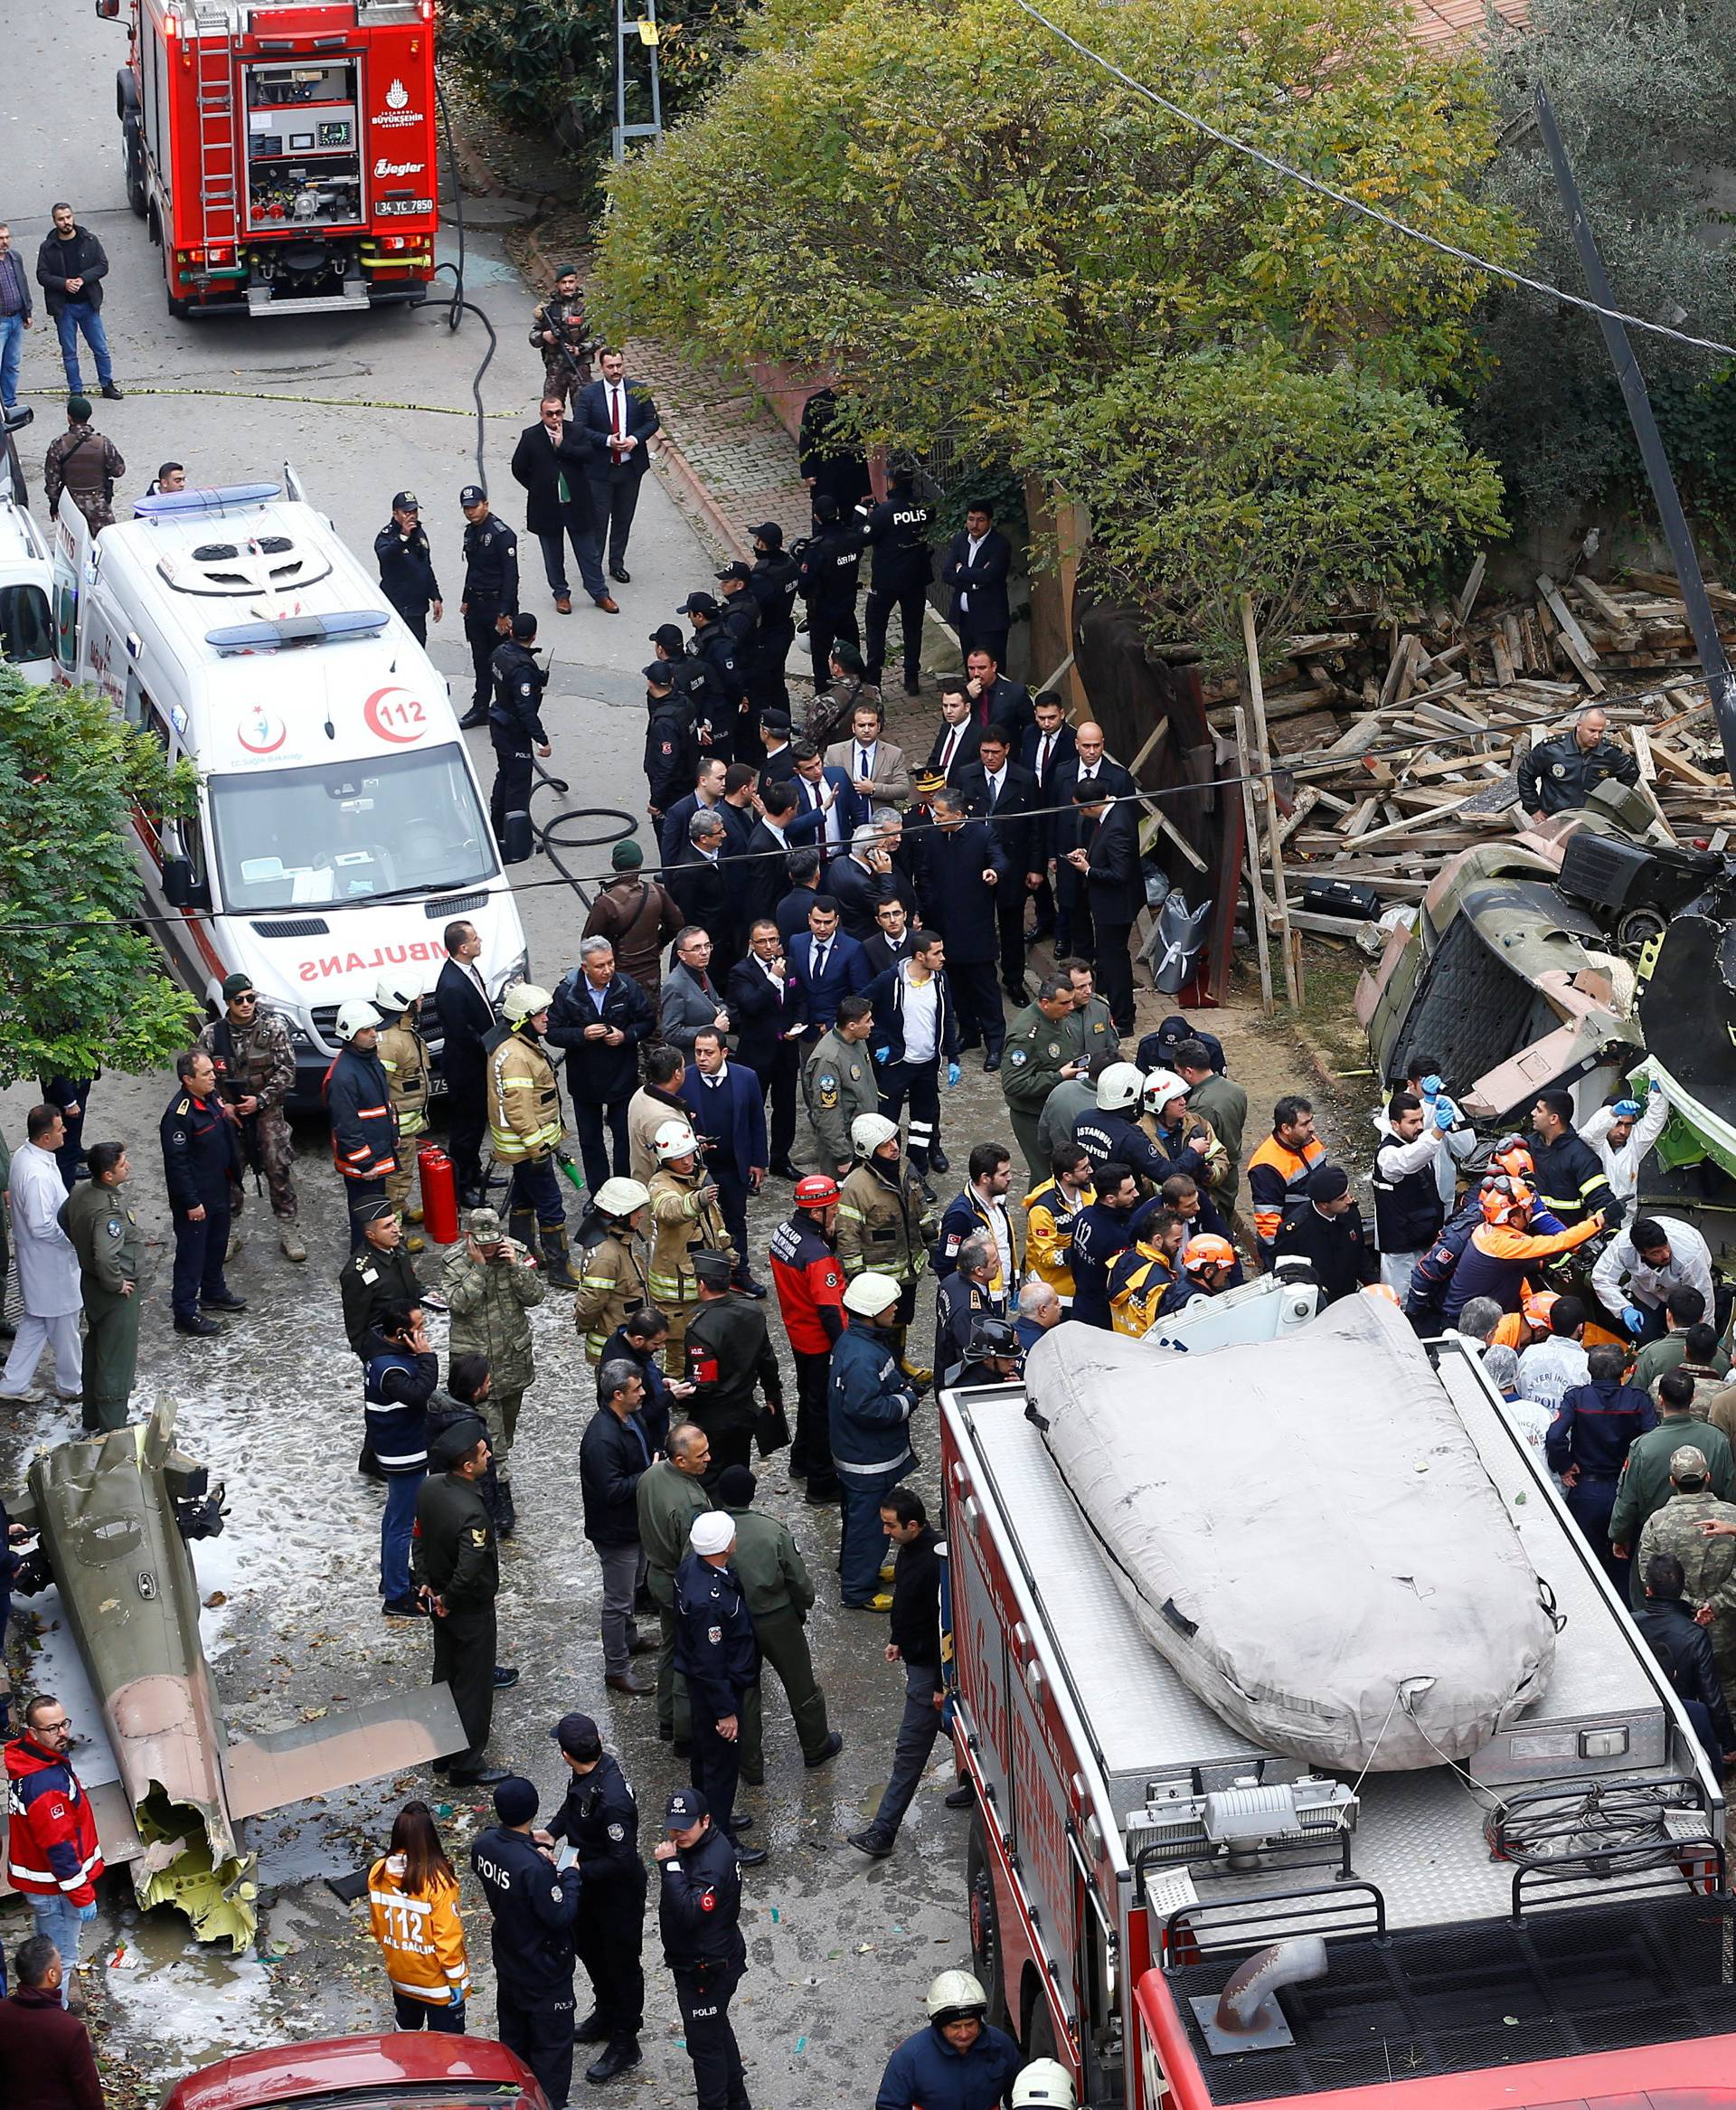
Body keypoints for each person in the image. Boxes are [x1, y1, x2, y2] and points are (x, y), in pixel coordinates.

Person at [714, 1463, 841, 1773]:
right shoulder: (772, 1530)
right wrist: (804, 1602)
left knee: (745, 1691)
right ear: (752, 1494)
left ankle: (750, 1764)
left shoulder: (711, 1531)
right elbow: (796, 1578)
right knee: (800, 1683)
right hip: (775, 1617)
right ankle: (815, 1746)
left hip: (732, 1620)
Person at [543, 1712, 646, 2086]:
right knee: (590, 1952)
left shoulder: (614, 1799)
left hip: (617, 1895)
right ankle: (605, 2013)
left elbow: (621, 1861)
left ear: (567, 1754)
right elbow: (572, 1806)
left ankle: (626, 2040)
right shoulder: (587, 1772)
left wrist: (574, 1872)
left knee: (622, 1965)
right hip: (587, 1887)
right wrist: (552, 1833)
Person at [847, 1485, 947, 1859]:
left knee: (909, 1753)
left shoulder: (935, 1566)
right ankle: (973, 1782)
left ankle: (883, 1831)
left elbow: (945, 1627)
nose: (885, 1533)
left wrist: (940, 1684)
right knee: (957, 1729)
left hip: (928, 1673)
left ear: (914, 1525)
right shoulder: (910, 1552)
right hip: (918, 1659)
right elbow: (908, 1606)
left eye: (890, 1526)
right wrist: (898, 1639)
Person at [471, 1777, 583, 2108]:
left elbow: (499, 1860)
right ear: (534, 1811)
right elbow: (560, 1914)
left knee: (515, 2043)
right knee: (552, 2050)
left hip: (509, 1958)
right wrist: (570, 1876)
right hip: (543, 1970)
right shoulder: (535, 1869)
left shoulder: (485, 1845)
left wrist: (528, 1850)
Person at [413, 1419, 512, 1785]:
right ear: (468, 1466)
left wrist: (425, 1583)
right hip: (468, 1609)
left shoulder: (429, 1487)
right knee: (473, 1685)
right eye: (484, 1454)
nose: (489, 1456)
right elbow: (471, 1566)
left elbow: (419, 1536)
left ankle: (442, 1751)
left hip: (439, 1599)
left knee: (446, 1676)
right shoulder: (471, 1509)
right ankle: (467, 1763)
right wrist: (449, 1599)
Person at [443, 1206, 545, 1538]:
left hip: (512, 1364)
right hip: (477, 1372)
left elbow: (535, 1296)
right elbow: (458, 1303)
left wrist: (516, 1268)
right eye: (482, 1243)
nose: (489, 1248)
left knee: (506, 1434)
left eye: (493, 1242)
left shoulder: (516, 1252)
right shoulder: (454, 1262)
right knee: (494, 1444)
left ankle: (491, 1479)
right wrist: (480, 1269)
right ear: (469, 1238)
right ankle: (500, 1504)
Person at [673, 1512, 765, 1858]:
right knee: (720, 1765)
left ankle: (711, 1816)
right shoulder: (709, 1601)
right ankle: (721, 1839)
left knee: (705, 1757)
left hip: (707, 1685)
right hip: (718, 1688)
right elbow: (710, 1663)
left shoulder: (692, 1570)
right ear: (725, 1546)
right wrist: (726, 1710)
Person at [656, 1785, 751, 2110]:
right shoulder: (703, 1845)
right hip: (707, 1959)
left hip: (707, 1969)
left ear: (706, 1821)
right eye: (673, 1825)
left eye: (685, 1826)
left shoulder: (711, 1862)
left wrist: (668, 1866)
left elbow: (690, 1911)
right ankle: (738, 2100)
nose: (677, 1833)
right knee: (715, 2029)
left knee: (704, 2047)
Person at [4, 1695, 102, 2008]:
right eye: (52, 1728)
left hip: (45, 1885)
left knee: (48, 1948)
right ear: (32, 1732)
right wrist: (83, 1895)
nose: (62, 1733)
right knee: (60, 1963)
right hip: (56, 1888)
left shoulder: (32, 1760)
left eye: (64, 1724)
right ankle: (53, 2020)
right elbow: (59, 1848)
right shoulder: (45, 1785)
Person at [197, 971, 304, 1263]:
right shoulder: (211, 1035)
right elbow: (200, 1078)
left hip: (266, 1111)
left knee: (278, 1167)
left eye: (250, 998)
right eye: (238, 1000)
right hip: (229, 1115)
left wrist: (261, 1100)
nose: (246, 1004)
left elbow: (287, 1070)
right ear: (228, 1003)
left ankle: (287, 1228)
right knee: (228, 1172)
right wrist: (223, 1106)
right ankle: (230, 1232)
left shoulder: (273, 1029)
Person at [832, 1273, 923, 1610]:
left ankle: (862, 1570)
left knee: (862, 1521)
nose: (896, 1308)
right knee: (868, 1527)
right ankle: (858, 1590)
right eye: (890, 1304)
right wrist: (908, 1401)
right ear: (872, 1311)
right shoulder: (861, 1357)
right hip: (867, 1460)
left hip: (863, 1455)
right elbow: (866, 1408)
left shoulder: (859, 1344)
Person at [1610, 1367, 1736, 1602]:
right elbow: (1730, 1493)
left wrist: (1619, 1535)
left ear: (1660, 1400)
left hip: (1659, 1547)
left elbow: (1628, 1500)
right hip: (1712, 1543)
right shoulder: (1717, 1439)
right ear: (1693, 1398)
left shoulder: (1643, 1446)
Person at [486, 983, 580, 1290]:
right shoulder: (516, 1056)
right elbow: (518, 1108)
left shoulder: (517, 1046)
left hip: (525, 1148)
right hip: (530, 1148)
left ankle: (523, 1251)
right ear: (523, 1019)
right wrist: (538, 1146)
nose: (547, 1017)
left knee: (523, 1199)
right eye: (540, 1013)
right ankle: (559, 1267)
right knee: (551, 1204)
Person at [547, 937, 656, 1195]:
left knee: (623, 1139)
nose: (607, 970)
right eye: (600, 966)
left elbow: (647, 1022)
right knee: (590, 1142)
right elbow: (552, 1031)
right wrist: (581, 1035)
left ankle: (623, 1192)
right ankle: (599, 1195)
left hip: (621, 1077)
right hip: (584, 1080)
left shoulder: (626, 987)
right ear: (585, 968)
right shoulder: (568, 992)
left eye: (610, 963)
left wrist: (625, 1036)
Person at [1547, 1345, 1658, 1589]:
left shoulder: (1577, 1398)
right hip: (1625, 1494)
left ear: (1590, 1370)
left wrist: (1564, 1466)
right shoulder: (1638, 1400)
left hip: (1586, 1491)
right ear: (1623, 1371)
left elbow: (1555, 1436)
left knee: (1586, 1570)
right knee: (1623, 1568)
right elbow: (1652, 1440)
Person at [581, 1361, 660, 1695]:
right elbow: (611, 1490)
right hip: (616, 1531)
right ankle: (616, 1667)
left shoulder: (630, 1418)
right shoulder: (602, 1438)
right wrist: (650, 1475)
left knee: (631, 1586)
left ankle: (629, 1639)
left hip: (633, 1523)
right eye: (636, 1389)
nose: (643, 1393)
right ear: (617, 1395)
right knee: (617, 1600)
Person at [918, 787, 1010, 1066]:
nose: (935, 818)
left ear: (958, 814)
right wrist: (931, 905)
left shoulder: (982, 835)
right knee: (956, 988)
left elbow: (1000, 858)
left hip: (975, 929)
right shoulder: (933, 837)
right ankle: (969, 1032)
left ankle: (995, 1042)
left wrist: (994, 872)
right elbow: (924, 873)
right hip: (943, 928)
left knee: (985, 989)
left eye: (941, 814)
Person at [769, 1175, 846, 1503]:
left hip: (798, 1332)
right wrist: (845, 1350)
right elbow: (830, 1310)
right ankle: (821, 1482)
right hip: (818, 1342)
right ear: (817, 1214)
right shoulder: (817, 1255)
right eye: (833, 1210)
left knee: (808, 1400)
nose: (837, 1215)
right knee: (822, 1412)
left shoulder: (783, 1233)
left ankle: (799, 1460)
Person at [637, 1423, 714, 1746]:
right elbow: (694, 1561)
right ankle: (684, 1728)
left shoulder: (650, 1476)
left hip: (657, 1574)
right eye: (701, 1455)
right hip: (679, 1584)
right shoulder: (691, 1504)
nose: (709, 1458)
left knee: (670, 1646)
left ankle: (667, 1717)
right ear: (680, 1461)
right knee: (690, 1655)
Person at [156, 1052, 244, 1339]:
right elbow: (177, 1165)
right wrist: (191, 1202)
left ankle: (213, 1291)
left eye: (211, 1072)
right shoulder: (178, 1116)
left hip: (218, 1188)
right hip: (195, 1199)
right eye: (206, 1073)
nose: (213, 1077)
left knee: (217, 1245)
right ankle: (185, 1312)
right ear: (187, 1079)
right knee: (191, 1255)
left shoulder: (210, 1097)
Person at [0, 1109, 81, 1406]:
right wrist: (73, 1240)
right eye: (61, 1130)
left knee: (35, 1321)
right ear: (45, 1137)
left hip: (40, 1260)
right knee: (65, 1326)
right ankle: (72, 1385)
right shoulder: (35, 1173)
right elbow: (40, 1224)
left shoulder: (27, 1155)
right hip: (50, 1262)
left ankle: (14, 1381)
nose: (66, 1133)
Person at [57, 1141, 140, 1432]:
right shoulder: (109, 1210)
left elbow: (62, 1217)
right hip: (115, 1293)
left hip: (90, 1284)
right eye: (122, 1164)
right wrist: (116, 1282)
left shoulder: (81, 1191)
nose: (127, 1166)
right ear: (107, 1175)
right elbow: (106, 1254)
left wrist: (83, 1251)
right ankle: (112, 1429)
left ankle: (91, 1417)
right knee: (116, 1358)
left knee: (95, 1349)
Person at [680, 1027, 769, 1296]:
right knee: (701, 1224)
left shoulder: (746, 1078)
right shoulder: (685, 1080)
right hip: (699, 1168)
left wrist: (758, 1161)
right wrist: (693, 1139)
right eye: (698, 1052)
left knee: (735, 1220)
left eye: (709, 1052)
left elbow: (756, 1121)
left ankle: (740, 1271)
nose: (702, 1058)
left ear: (724, 1052)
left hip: (734, 1164)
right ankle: (709, 1278)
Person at [366, 1800, 469, 2032]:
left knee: (405, 2033)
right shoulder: (438, 1881)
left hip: (402, 1977)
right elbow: (447, 1938)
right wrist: (455, 1980)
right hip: (438, 1984)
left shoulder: (378, 1872)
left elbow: (377, 1926)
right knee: (447, 2049)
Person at [511, 393, 616, 615]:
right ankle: (561, 594)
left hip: (576, 504)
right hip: (547, 507)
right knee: (552, 555)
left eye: (558, 412)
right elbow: (518, 468)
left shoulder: (576, 431)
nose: (555, 418)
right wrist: (537, 488)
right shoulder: (530, 437)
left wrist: (563, 445)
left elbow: (588, 456)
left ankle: (599, 593)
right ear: (542, 415)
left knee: (589, 553)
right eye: (549, 414)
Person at [363, 1301, 438, 1614]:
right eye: (418, 1328)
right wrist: (427, 1357)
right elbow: (420, 1393)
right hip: (403, 1452)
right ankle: (395, 1596)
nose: (423, 1334)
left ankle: (391, 1576)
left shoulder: (383, 1353)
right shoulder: (391, 1368)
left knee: (394, 1517)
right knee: (402, 1524)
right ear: (400, 1333)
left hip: (397, 1447)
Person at [682, 1251, 783, 1478]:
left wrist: (679, 1393)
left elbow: (704, 1385)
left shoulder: (699, 1329)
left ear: (701, 1284)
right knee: (738, 1470)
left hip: (713, 1419)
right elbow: (767, 1358)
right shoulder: (752, 1311)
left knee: (711, 1477)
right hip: (745, 1411)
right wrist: (772, 1393)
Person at [1633, 1552, 1736, 1774]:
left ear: (1648, 1589)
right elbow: (1711, 1695)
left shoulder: (1628, 1625)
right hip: (1683, 1720)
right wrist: (1729, 1743)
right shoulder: (1694, 1635)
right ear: (1681, 1589)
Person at [870, 933, 958, 1187]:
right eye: (937, 953)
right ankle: (889, 1173)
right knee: (888, 1121)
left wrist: (952, 1057)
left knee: (923, 1122)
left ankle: (917, 1173)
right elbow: (862, 1005)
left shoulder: (940, 980)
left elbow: (947, 1018)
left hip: (927, 1066)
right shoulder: (890, 980)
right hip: (897, 1065)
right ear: (920, 956)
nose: (943, 958)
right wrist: (881, 1042)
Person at [647, 1120, 736, 1374]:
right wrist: (696, 1200)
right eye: (678, 1157)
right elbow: (669, 1211)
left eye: (689, 1154)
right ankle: (675, 1391)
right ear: (665, 1160)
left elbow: (715, 1221)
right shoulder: (660, 1184)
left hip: (700, 1280)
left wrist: (726, 1249)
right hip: (675, 1288)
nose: (686, 1161)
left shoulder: (698, 1177)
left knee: (705, 1339)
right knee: (677, 1345)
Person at [726, 919, 807, 1178]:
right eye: (762, 941)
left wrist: (798, 1022)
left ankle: (781, 1159)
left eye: (773, 940)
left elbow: (800, 1000)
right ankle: (751, 1163)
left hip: (786, 1051)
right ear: (752, 944)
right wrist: (773, 979)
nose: (769, 946)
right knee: (752, 1109)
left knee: (786, 1109)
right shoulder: (741, 972)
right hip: (756, 1054)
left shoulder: (790, 965)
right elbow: (750, 1005)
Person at [1060, 780, 1142, 1035]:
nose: (1081, 814)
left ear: (1094, 804)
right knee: (1112, 958)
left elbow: (1119, 874)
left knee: (1114, 960)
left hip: (1115, 907)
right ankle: (1120, 1010)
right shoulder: (1112, 813)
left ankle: (1123, 1019)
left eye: (1083, 809)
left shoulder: (1117, 825)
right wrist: (1089, 853)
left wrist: (1089, 870)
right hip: (1110, 904)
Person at [875, 1972, 1022, 2110]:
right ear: (940, 2025)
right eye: (955, 2027)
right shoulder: (909, 2057)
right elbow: (890, 2106)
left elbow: (1019, 2095)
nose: (964, 2034)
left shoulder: (1001, 2045)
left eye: (970, 2024)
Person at [579, 349, 659, 583]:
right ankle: (593, 570)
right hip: (600, 470)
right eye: (610, 366)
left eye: (619, 365)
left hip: (629, 468)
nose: (616, 371)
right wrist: (607, 441)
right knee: (599, 522)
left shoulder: (638, 390)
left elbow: (653, 421)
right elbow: (580, 427)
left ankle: (617, 563)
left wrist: (634, 440)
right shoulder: (588, 395)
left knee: (623, 518)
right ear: (601, 368)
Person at [434, 921, 499, 1208]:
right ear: (463, 948)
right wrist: (492, 1046)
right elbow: (462, 1033)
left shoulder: (466, 971)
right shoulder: (451, 986)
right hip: (466, 1069)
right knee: (465, 1130)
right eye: (474, 938)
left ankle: (474, 1174)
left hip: (476, 1064)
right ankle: (461, 1187)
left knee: (476, 1124)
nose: (479, 941)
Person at [0, 1932, 106, 2107]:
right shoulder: (70, 2029)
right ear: (52, 1975)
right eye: (59, 1963)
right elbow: (88, 2093)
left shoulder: (3, 2011)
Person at [328, 1000, 399, 1252]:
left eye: (373, 1028)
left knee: (376, 1211)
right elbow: (347, 1127)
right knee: (366, 1217)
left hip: (376, 1154)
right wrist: (365, 1162)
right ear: (350, 1035)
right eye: (365, 1031)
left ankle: (378, 1257)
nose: (373, 1034)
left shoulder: (368, 1061)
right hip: (364, 1164)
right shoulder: (344, 1075)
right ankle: (363, 1261)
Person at [1371, 1089, 1458, 1293]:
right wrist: (1437, 1132)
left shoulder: (1413, 1139)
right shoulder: (1387, 1155)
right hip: (1401, 1249)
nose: (1419, 1126)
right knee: (1402, 1300)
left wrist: (1431, 1101)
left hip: (1423, 1238)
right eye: (1412, 1122)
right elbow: (1407, 1160)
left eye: (1421, 1119)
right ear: (1395, 1124)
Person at [859, 465, 933, 695]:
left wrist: (865, 519)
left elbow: (864, 538)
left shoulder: (884, 512)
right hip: (916, 579)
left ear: (892, 483)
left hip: (886, 581)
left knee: (876, 628)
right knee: (913, 629)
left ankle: (874, 680)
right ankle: (911, 678)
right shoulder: (924, 506)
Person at [1001, 976, 1081, 1186]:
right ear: (1045, 1003)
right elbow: (1013, 1084)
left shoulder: (1057, 1018)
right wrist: (1058, 1077)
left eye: (1072, 1001)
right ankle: (1039, 1216)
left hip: (1053, 1109)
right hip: (1032, 1116)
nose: (1071, 1007)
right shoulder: (1027, 1034)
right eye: (1065, 1003)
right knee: (1045, 1175)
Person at [585, 841, 684, 1006]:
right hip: (650, 971)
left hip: (617, 974)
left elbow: (589, 942)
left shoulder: (606, 903)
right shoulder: (656, 892)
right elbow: (676, 923)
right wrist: (658, 943)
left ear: (614, 865)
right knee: (651, 1016)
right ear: (640, 864)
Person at [374, 978, 433, 1252]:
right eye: (417, 997)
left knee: (403, 1175)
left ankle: (402, 1210)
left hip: (409, 1123)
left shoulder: (403, 1031)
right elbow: (379, 1089)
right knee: (396, 1180)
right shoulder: (390, 1042)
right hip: (399, 1128)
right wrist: (390, 1130)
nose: (422, 1001)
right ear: (404, 1005)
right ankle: (394, 1236)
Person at [1593, 1213, 1715, 1345]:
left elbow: (1704, 1299)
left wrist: (1706, 1339)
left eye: (1666, 1246)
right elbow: (1601, 1278)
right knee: (1647, 1336)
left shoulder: (1689, 1257)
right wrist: (1624, 1308)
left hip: (1683, 1293)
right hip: (1644, 1290)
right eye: (1656, 1253)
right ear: (1641, 1253)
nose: (1666, 1255)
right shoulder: (1623, 1246)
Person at [487, 610, 552, 858]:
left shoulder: (501, 653)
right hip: (514, 731)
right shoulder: (523, 669)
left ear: (512, 631)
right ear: (534, 636)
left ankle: (495, 828)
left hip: (499, 722)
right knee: (518, 786)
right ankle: (515, 841)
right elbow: (525, 708)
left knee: (504, 777)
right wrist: (542, 739)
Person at [571, 1177, 654, 1367]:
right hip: (615, 1350)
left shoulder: (618, 1241)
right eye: (635, 1211)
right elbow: (592, 1302)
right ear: (619, 1215)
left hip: (627, 1341)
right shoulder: (606, 1255)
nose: (641, 1215)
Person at [35, 206, 117, 400]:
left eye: (68, 217)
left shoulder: (89, 240)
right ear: (54, 221)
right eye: (61, 219)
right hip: (64, 308)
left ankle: (107, 384)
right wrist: (64, 283)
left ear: (73, 216)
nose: (66, 222)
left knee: (101, 348)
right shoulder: (48, 247)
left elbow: (102, 266)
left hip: (88, 304)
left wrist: (82, 279)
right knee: (69, 352)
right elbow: (42, 275)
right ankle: (76, 390)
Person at [457, 486, 520, 729]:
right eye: (467, 508)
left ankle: (508, 709)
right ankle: (480, 708)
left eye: (474, 506)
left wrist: (504, 613)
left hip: (496, 606)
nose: (471, 512)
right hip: (476, 606)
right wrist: (465, 598)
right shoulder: (471, 533)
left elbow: (511, 577)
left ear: (486, 504)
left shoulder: (502, 535)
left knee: (502, 663)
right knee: (480, 661)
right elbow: (473, 569)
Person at [1273, 1165, 1378, 1304]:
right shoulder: (1296, 1231)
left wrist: (1374, 1285)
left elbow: (1359, 1254)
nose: (1348, 1200)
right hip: (1319, 1301)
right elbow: (1287, 1273)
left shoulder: (1349, 1213)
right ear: (1324, 1205)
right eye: (1341, 1198)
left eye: (1347, 1193)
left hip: (1348, 1294)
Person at [804, 995, 882, 1178]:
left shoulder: (857, 1040)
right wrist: (842, 1156)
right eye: (868, 1021)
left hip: (862, 1137)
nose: (872, 1024)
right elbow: (827, 1113)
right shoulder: (829, 1060)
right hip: (845, 1145)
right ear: (852, 1026)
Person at [1517, 705, 1641, 820]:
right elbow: (1526, 773)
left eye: (1601, 731)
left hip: (1593, 819)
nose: (1596, 736)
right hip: (1556, 817)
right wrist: (1533, 808)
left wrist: (1613, 803)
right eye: (1592, 730)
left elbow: (1630, 774)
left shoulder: (1610, 753)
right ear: (1579, 726)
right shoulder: (1552, 749)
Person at [1245, 1095, 1326, 1266]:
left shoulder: (1310, 1142)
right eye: (1304, 1124)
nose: (1312, 1128)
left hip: (1315, 1231)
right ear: (1286, 1129)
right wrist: (1283, 1258)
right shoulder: (1266, 1166)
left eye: (1311, 1120)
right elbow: (1268, 1223)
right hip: (1292, 1244)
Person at [797, 495, 866, 692]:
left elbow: (804, 588)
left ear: (817, 517)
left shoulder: (817, 549)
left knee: (821, 662)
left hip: (822, 613)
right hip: (847, 608)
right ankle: (858, 693)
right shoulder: (852, 538)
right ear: (836, 513)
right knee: (852, 654)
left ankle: (825, 701)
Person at [341, 1200, 425, 1359]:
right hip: (385, 1348)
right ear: (371, 1235)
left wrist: (425, 1294)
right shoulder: (358, 1273)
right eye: (387, 1226)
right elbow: (356, 1327)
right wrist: (372, 1358)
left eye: (395, 1222)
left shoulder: (398, 1248)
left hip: (412, 1334)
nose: (396, 1230)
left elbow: (409, 1282)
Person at [936, 1141, 1022, 1299]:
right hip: (979, 1300)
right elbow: (945, 1264)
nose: (1010, 1178)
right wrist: (966, 1298)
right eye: (1003, 1174)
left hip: (998, 1294)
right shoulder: (960, 1215)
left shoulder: (999, 1201)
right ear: (985, 1178)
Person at [1174, 1037, 1247, 1216]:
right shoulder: (1235, 1089)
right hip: (1232, 1167)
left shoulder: (1200, 1105)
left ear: (1189, 1071)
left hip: (1215, 1175)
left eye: (1178, 1072)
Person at [1530, 1088, 1619, 1229]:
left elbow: (1600, 1197)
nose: (1533, 1114)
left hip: (1565, 1240)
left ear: (1554, 1118)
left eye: (1539, 1110)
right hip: (1526, 1240)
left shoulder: (1581, 1156)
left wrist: (1611, 1229)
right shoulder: (1528, 1146)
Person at [941, 497, 1014, 667]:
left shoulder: (999, 545)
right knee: (971, 667)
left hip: (990, 619)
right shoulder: (960, 540)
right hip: (966, 618)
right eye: (971, 519)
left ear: (990, 521)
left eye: (980, 520)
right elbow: (947, 574)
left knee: (991, 668)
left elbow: (989, 576)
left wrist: (961, 570)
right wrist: (973, 582)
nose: (974, 525)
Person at [1024, 1145, 1095, 1313]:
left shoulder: (1089, 1190)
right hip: (1056, 1292)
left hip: (1081, 1284)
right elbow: (1046, 1257)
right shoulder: (1043, 1209)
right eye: (1084, 1168)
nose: (1091, 1171)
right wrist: (1080, 1253)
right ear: (1067, 1176)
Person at [1580, 1082, 1672, 1208]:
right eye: (1617, 1123)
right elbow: (1589, 1134)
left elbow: (1654, 1122)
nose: (1623, 1131)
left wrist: (1657, 1093)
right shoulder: (1594, 1145)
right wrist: (1612, 1113)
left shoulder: (1633, 1145)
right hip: (1594, 1221)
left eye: (1628, 1125)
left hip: (1625, 1222)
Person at [42, 396, 123, 534]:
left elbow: (52, 481)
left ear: (69, 417)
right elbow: (118, 470)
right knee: (105, 542)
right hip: (99, 505)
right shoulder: (103, 443)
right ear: (89, 416)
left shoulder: (58, 445)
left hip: (71, 504)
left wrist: (54, 505)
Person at [374, 491, 443, 644]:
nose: (412, 516)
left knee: (419, 648)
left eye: (414, 511)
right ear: (395, 514)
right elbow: (385, 557)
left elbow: (426, 566)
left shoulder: (419, 533)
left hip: (417, 609)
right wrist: (403, 537)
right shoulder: (386, 536)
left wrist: (436, 597)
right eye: (406, 512)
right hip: (398, 607)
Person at [1106, 1209, 1187, 1338]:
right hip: (1144, 1352)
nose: (1180, 1245)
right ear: (1158, 1240)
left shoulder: (1119, 1260)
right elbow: (1158, 1330)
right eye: (1177, 1240)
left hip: (1119, 1342)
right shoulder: (1159, 1282)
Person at [825, 697, 910, 815]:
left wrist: (874, 788)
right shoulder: (834, 752)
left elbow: (903, 790)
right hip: (846, 818)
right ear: (853, 728)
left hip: (880, 819)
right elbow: (824, 786)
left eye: (871, 725)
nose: (866, 730)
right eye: (861, 725)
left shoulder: (894, 753)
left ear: (878, 727)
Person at [936, 1235, 1005, 1381]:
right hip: (963, 1381)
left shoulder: (951, 1281)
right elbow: (973, 1356)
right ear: (979, 1271)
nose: (1000, 1263)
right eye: (994, 1261)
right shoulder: (969, 1310)